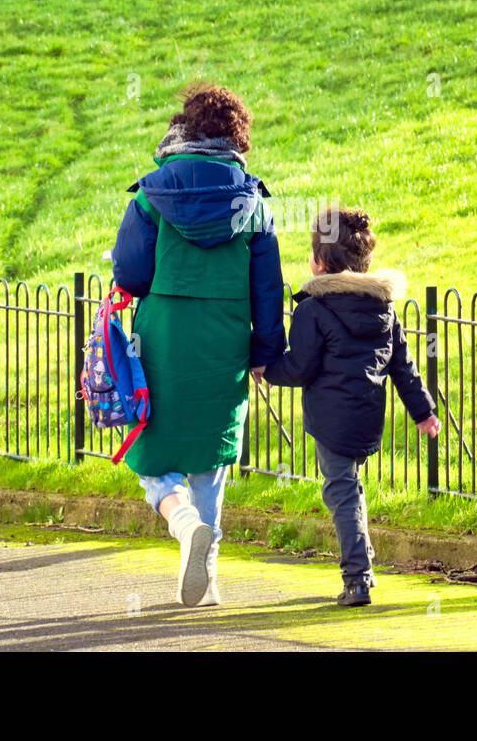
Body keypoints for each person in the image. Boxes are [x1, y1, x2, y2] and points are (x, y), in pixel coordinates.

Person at [110, 83, 285, 607]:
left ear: (187, 128)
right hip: (225, 338)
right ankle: (205, 573)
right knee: (212, 455)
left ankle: (184, 525)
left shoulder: (152, 194)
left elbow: (131, 273)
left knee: (154, 452)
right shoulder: (253, 205)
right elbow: (268, 290)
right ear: (236, 140)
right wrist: (265, 353)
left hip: (163, 335)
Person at [261, 207, 440, 607]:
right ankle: (365, 563)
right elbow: (403, 366)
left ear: (321, 263)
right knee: (350, 488)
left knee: (340, 493)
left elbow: (300, 367)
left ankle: (356, 578)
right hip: (366, 418)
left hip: (331, 420)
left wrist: (266, 369)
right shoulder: (383, 308)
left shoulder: (314, 308)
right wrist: (424, 411)